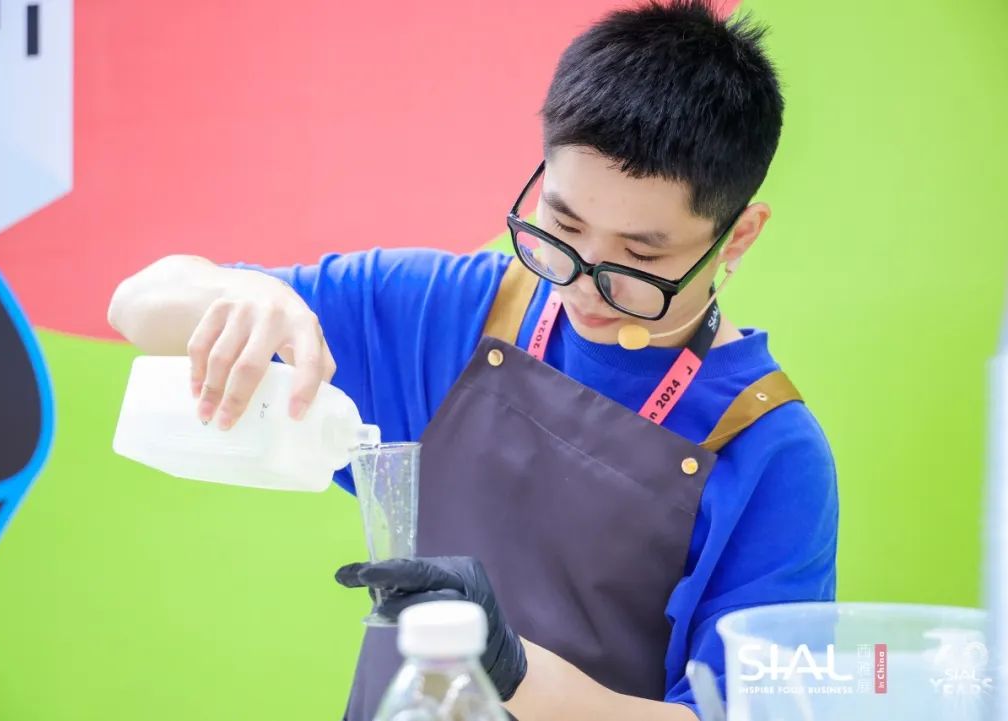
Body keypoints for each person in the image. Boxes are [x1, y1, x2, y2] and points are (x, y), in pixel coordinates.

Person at [108, 2, 838, 719]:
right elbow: (137, 303)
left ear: (738, 237)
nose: (583, 283)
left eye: (640, 258)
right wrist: (242, 293)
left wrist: (512, 668)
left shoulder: (768, 450)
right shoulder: (446, 311)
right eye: (562, 223)